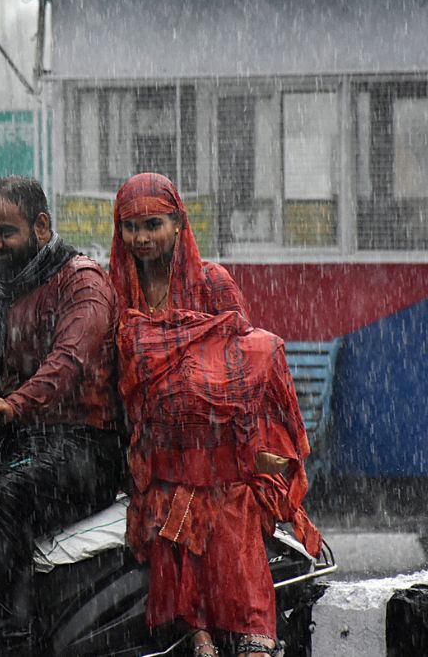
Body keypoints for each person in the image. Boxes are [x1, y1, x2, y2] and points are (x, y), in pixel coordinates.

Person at [108, 172, 323, 657]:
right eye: (129, 227)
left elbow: (245, 368)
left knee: (229, 511)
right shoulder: (117, 289)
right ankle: (195, 636)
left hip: (221, 452)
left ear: (179, 222)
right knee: (168, 518)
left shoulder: (212, 283)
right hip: (157, 456)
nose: (140, 238)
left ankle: (252, 641)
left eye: (152, 224)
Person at [0, 175, 126, 655]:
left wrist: (12, 405)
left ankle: (11, 638)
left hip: (86, 447)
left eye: (5, 233)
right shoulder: (6, 289)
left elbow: (67, 364)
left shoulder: (83, 282)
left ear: (42, 226)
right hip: (27, 441)